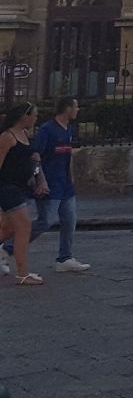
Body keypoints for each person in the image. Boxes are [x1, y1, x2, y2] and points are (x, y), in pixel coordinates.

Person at [31, 96, 89, 273]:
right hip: (50, 182)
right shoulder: (47, 130)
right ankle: (8, 247)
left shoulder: (68, 130)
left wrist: (71, 178)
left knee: (69, 220)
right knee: (46, 221)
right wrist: (40, 180)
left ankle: (65, 257)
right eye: (76, 107)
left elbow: (68, 156)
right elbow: (35, 155)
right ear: (67, 109)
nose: (78, 110)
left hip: (65, 184)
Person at [0, 102, 42, 285]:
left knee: (8, 229)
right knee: (24, 227)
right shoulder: (7, 137)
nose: (36, 118)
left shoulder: (24, 134)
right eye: (34, 115)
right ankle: (23, 274)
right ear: (24, 116)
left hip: (21, 187)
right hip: (8, 188)